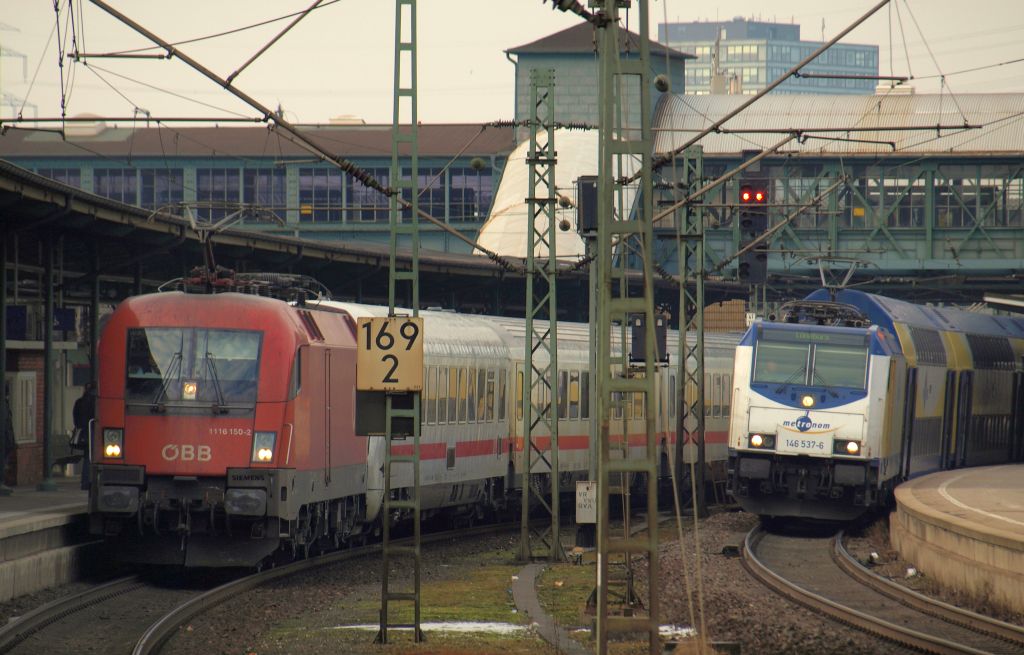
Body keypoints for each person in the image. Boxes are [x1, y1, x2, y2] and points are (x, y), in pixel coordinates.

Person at [73, 382, 97, 491]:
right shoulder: (96, 402)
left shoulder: (79, 402)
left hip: (83, 433)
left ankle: (85, 481)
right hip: (94, 433)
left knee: (87, 457)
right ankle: (89, 481)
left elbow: (76, 418)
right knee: (90, 458)